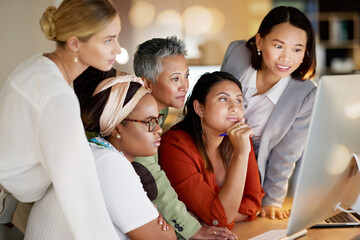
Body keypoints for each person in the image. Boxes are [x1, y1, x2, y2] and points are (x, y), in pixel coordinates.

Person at [74, 36, 237, 240]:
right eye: (175, 78)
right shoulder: (131, 113)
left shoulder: (160, 111)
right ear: (147, 83)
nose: (185, 86)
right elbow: (151, 175)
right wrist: (191, 228)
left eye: (186, 76)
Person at [0, 0, 122, 239]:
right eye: (108, 40)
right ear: (75, 43)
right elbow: (79, 192)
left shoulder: (39, 66)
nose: (118, 49)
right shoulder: (56, 96)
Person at [26, 74, 176, 240]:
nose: (158, 129)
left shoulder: (94, 153)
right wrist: (156, 220)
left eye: (158, 120)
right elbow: (164, 238)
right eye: (149, 122)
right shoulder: (110, 163)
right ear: (116, 129)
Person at [221, 6, 317, 219]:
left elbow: (286, 154)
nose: (286, 58)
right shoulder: (237, 54)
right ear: (260, 41)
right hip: (207, 157)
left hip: (248, 175)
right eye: (278, 46)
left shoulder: (305, 94)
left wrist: (272, 201)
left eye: (297, 49)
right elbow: (213, 99)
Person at [159, 71, 265, 230]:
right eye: (223, 99)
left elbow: (254, 202)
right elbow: (220, 219)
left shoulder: (239, 136)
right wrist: (241, 154)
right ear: (199, 108)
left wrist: (212, 218)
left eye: (239, 100)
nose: (234, 108)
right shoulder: (174, 147)